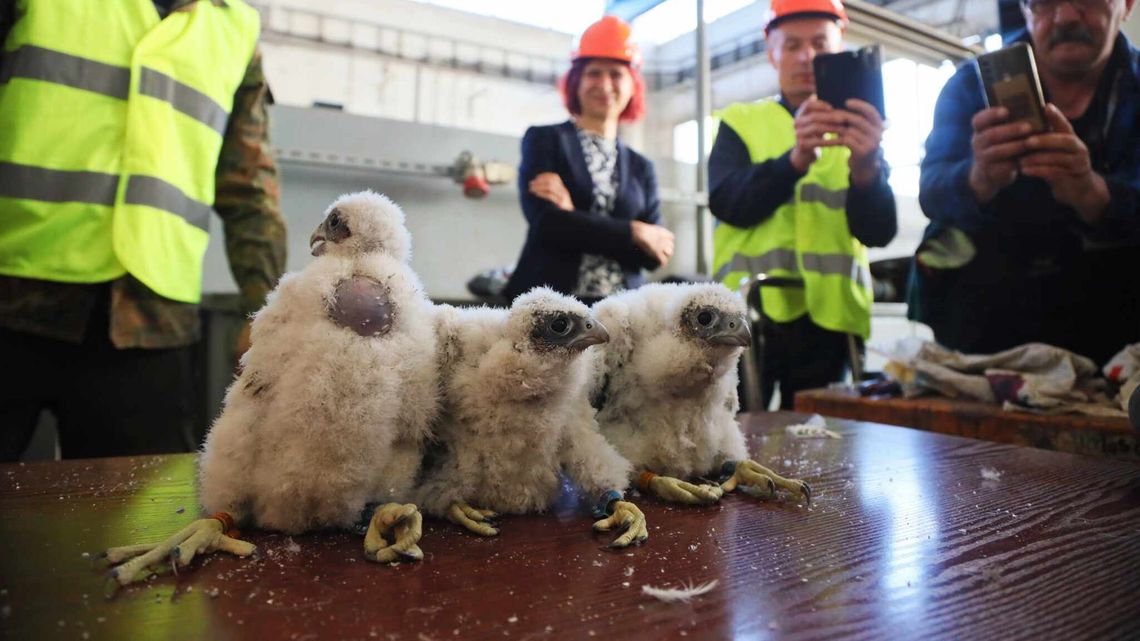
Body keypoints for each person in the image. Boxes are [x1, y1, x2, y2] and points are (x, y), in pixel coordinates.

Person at [0, 0, 286, 460]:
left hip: (150, 323)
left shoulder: (234, 26)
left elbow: (249, 188)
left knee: (140, 521)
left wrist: (266, 311)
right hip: (12, 295)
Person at [909, 0, 1140, 367]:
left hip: (1117, 336)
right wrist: (977, 178)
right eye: (1044, 2)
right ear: (1024, 7)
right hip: (981, 327)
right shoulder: (969, 84)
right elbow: (932, 193)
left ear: (1126, 5)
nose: (1065, 16)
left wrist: (1093, 193)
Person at [708, 0, 897, 409]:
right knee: (738, 440)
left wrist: (867, 171)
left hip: (832, 322)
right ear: (771, 52)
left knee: (827, 444)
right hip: (747, 317)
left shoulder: (862, 129)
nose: (806, 56)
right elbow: (727, 203)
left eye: (818, 43)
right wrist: (794, 162)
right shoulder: (740, 121)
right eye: (792, 45)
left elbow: (879, 231)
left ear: (839, 45)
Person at [502, 15, 674, 304]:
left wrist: (574, 218)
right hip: (552, 305)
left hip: (623, 311)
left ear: (632, 86)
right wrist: (633, 231)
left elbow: (654, 255)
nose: (605, 84)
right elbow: (548, 226)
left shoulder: (641, 167)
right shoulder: (546, 140)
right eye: (594, 73)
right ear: (576, 82)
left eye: (616, 74)